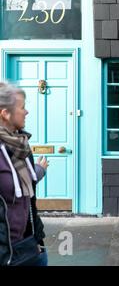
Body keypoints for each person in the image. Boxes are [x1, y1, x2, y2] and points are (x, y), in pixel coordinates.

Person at [0, 82, 49, 266]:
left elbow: (26, 184)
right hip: (7, 254)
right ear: (5, 113)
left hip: (31, 246)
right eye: (22, 107)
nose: (27, 112)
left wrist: (36, 240)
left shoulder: (20, 144)